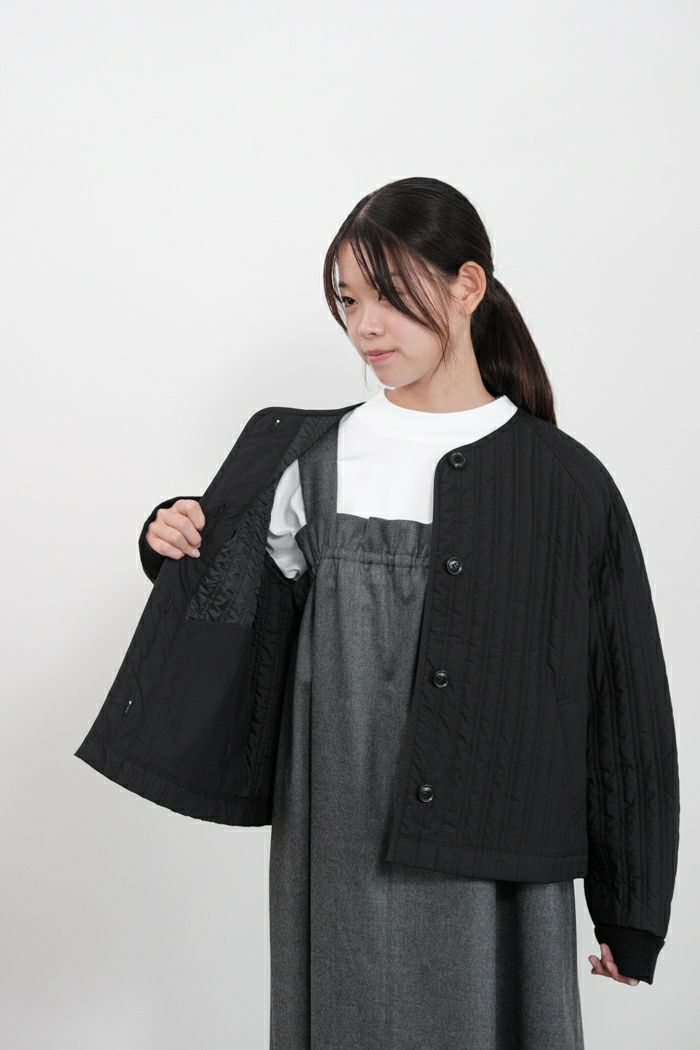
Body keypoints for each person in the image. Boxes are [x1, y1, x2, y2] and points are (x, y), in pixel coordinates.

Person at [135, 176, 678, 1048]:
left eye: (389, 295)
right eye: (349, 300)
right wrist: (172, 536)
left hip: (508, 855)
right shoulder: (306, 459)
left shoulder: (565, 483)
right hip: (346, 847)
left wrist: (632, 906)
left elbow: (626, 704)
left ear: (468, 286)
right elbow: (243, 631)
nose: (366, 326)